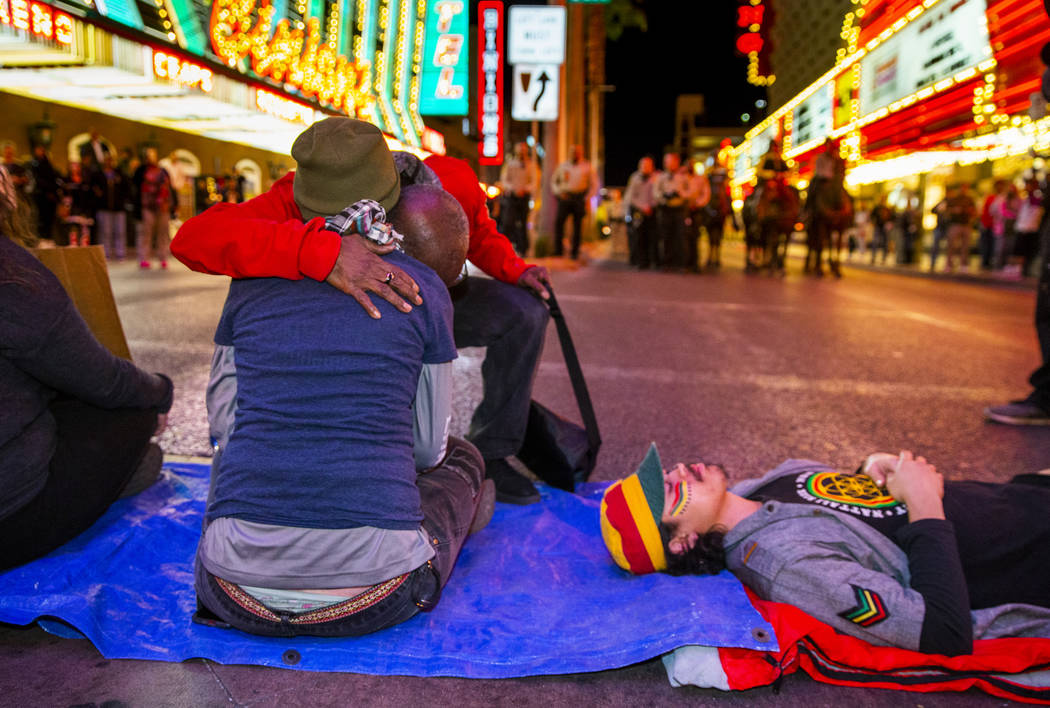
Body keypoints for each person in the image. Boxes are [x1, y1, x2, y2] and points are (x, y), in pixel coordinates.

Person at [171, 119, 552, 505]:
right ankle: (349, 454)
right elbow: (193, 239)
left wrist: (518, 271)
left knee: (525, 312)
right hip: (347, 315)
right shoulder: (299, 194)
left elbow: (481, 234)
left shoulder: (452, 181)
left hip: (426, 307)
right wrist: (322, 251)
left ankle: (495, 447)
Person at [196, 171, 493, 637]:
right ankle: (456, 516)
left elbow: (224, 422)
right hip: (378, 592)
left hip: (229, 588)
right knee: (462, 461)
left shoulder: (248, 280)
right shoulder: (421, 287)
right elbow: (425, 451)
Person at [599, 444, 1050, 657]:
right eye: (669, 491)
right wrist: (924, 501)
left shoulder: (763, 485)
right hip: (1029, 551)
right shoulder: (784, 563)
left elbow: (845, 508)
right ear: (683, 543)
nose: (678, 470)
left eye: (666, 472)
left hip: (1022, 495)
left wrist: (868, 470)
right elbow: (941, 632)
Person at [0, 165, 173, 570]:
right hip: (10, 512)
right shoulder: (14, 279)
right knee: (134, 414)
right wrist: (161, 392)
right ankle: (126, 472)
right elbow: (104, 380)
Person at [551, 144, 596, 259]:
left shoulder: (587, 166)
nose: (575, 153)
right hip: (565, 196)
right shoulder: (563, 166)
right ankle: (558, 251)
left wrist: (586, 198)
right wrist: (558, 192)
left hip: (579, 197)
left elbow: (593, 185)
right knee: (559, 223)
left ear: (581, 153)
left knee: (578, 226)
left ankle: (575, 252)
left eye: (577, 152)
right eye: (573, 151)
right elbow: (554, 182)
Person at [133, 147, 174, 269]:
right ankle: (144, 257)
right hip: (147, 206)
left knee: (163, 232)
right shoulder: (140, 171)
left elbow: (169, 188)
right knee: (146, 232)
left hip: (162, 206)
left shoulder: (163, 171)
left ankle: (163, 257)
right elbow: (135, 188)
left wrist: (172, 204)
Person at [498, 141, 540, 256]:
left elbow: (534, 182)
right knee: (508, 222)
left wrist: (525, 189)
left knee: (523, 224)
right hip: (512, 197)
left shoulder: (531, 165)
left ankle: (523, 249)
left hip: (524, 197)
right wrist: (513, 188)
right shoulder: (510, 164)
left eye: (523, 150)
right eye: (519, 150)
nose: (521, 152)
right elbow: (504, 180)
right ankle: (505, 248)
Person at [651, 151, 690, 270]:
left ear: (677, 162)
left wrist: (680, 194)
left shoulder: (683, 176)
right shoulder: (661, 177)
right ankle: (666, 262)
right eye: (666, 161)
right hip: (665, 209)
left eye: (671, 161)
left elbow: (689, 191)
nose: (668, 164)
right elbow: (655, 192)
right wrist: (664, 197)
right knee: (665, 237)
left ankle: (681, 263)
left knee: (680, 237)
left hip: (679, 209)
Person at [623, 156, 657, 269]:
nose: (645, 168)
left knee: (652, 237)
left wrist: (651, 206)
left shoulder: (656, 178)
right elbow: (630, 196)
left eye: (648, 165)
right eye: (643, 165)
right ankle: (640, 261)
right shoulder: (635, 178)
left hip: (652, 211)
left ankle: (652, 260)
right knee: (639, 237)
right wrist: (642, 207)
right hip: (638, 211)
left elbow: (657, 195)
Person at [95, 154, 131, 260]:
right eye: (107, 160)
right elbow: (94, 188)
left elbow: (127, 187)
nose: (109, 162)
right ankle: (106, 253)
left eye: (111, 160)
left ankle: (120, 253)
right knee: (105, 231)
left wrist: (122, 199)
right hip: (104, 207)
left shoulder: (119, 174)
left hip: (118, 208)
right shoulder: (99, 175)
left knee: (120, 231)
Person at [27, 143, 60, 243]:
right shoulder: (33, 164)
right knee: (38, 219)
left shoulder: (48, 164)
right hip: (38, 196)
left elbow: (53, 179)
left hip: (49, 198)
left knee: (48, 219)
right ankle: (40, 239)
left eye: (41, 149)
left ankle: (48, 238)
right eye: (38, 149)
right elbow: (35, 180)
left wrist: (52, 192)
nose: (40, 151)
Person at [702, 165, 733, 269]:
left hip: (720, 213)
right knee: (711, 236)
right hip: (712, 211)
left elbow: (728, 198)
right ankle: (711, 256)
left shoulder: (723, 186)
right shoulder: (710, 182)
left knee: (718, 236)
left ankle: (716, 257)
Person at [944, 183, 977, 273]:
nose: (963, 190)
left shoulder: (969, 199)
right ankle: (949, 264)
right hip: (955, 224)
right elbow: (946, 210)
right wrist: (954, 210)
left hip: (966, 224)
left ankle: (963, 265)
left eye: (965, 188)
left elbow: (974, 211)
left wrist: (968, 212)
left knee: (965, 246)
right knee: (952, 245)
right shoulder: (953, 199)